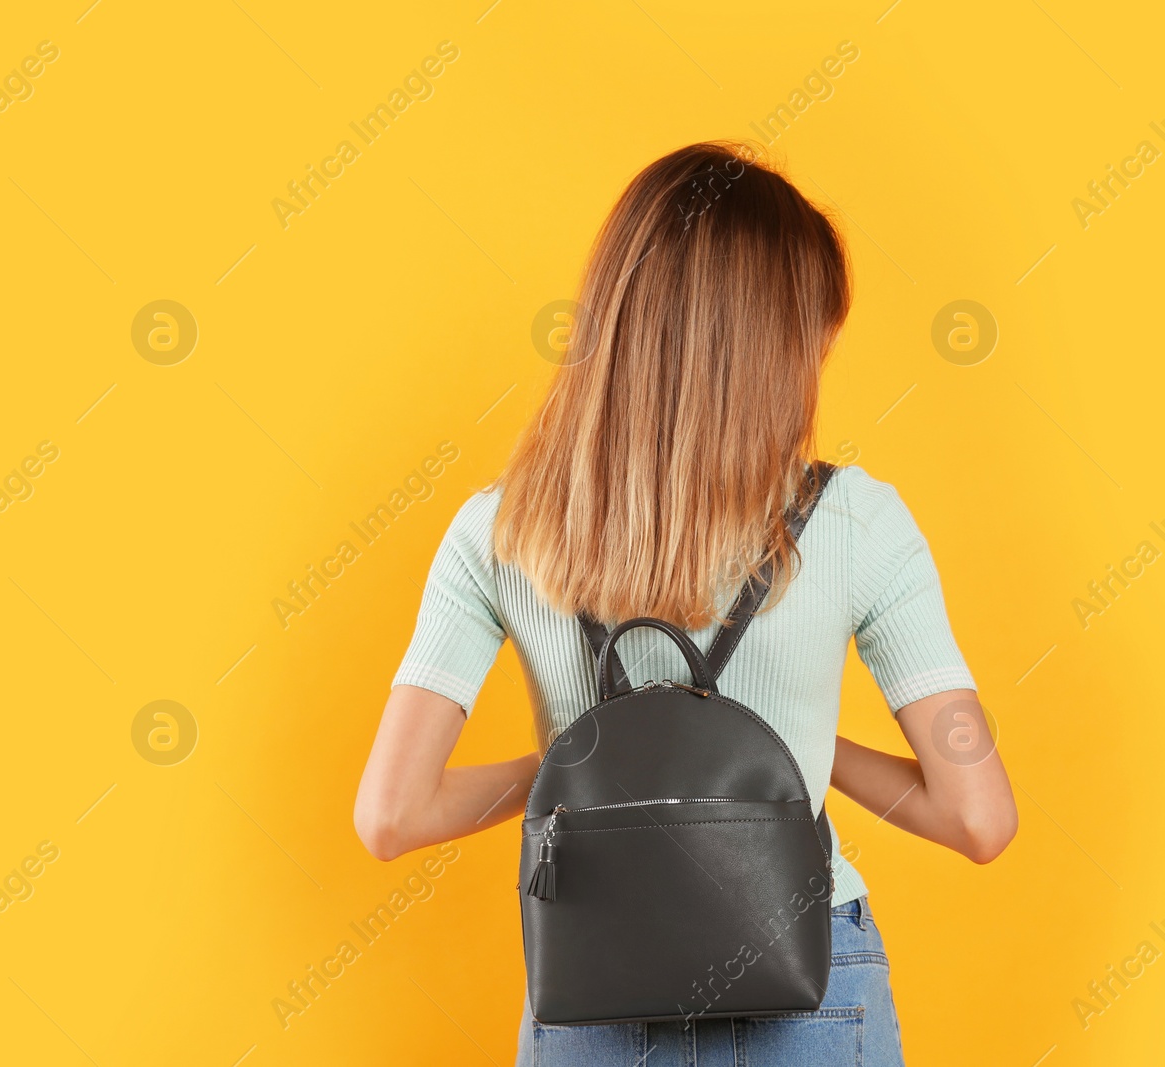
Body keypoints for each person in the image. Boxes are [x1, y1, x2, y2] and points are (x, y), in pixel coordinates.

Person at [353, 142, 1017, 1066]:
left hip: (593, 991)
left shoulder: (497, 532)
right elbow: (978, 819)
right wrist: (802, 761)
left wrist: (576, 765)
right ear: (780, 344)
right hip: (813, 983)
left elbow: (392, 815)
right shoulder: (859, 520)